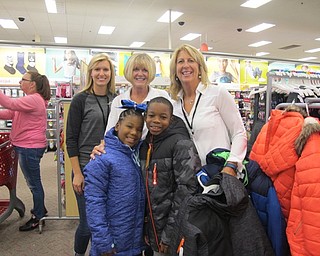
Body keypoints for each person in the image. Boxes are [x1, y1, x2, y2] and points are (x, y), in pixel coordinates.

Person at [66, 53, 117, 256]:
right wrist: (77, 173)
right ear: (91, 73)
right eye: (97, 69)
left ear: (111, 73)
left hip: (110, 168)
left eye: (105, 69)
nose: (101, 73)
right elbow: (70, 139)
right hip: (86, 168)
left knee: (107, 222)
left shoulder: (116, 99)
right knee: (88, 225)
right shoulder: (80, 99)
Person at [169, 44, 247, 175]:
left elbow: (239, 132)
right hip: (187, 177)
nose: (185, 65)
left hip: (219, 173)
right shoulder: (174, 104)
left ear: (200, 68)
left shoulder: (217, 94)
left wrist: (232, 164)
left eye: (191, 60)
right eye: (180, 61)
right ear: (175, 70)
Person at [140, 96, 201, 255]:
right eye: (151, 115)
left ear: (171, 118)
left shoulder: (181, 143)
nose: (156, 121)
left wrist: (169, 236)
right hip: (153, 230)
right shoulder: (146, 144)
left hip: (172, 232)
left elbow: (186, 190)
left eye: (163, 117)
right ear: (145, 116)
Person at [84, 104, 146, 256]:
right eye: (129, 126)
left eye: (139, 129)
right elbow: (94, 202)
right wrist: (103, 241)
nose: (134, 133)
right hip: (111, 244)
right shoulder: (102, 158)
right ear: (118, 126)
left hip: (133, 242)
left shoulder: (136, 153)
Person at [0, 71, 51, 231]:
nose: (20, 82)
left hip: (30, 147)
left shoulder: (34, 99)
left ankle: (38, 216)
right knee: (34, 182)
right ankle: (41, 209)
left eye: (23, 79)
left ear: (32, 84)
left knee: (34, 183)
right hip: (28, 146)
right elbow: (10, 112)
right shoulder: (29, 100)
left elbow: (9, 104)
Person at [105, 53, 170, 139]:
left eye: (145, 70)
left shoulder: (162, 96)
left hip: (156, 149)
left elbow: (171, 126)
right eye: (135, 70)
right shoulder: (119, 101)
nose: (140, 74)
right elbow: (110, 133)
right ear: (129, 72)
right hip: (125, 150)